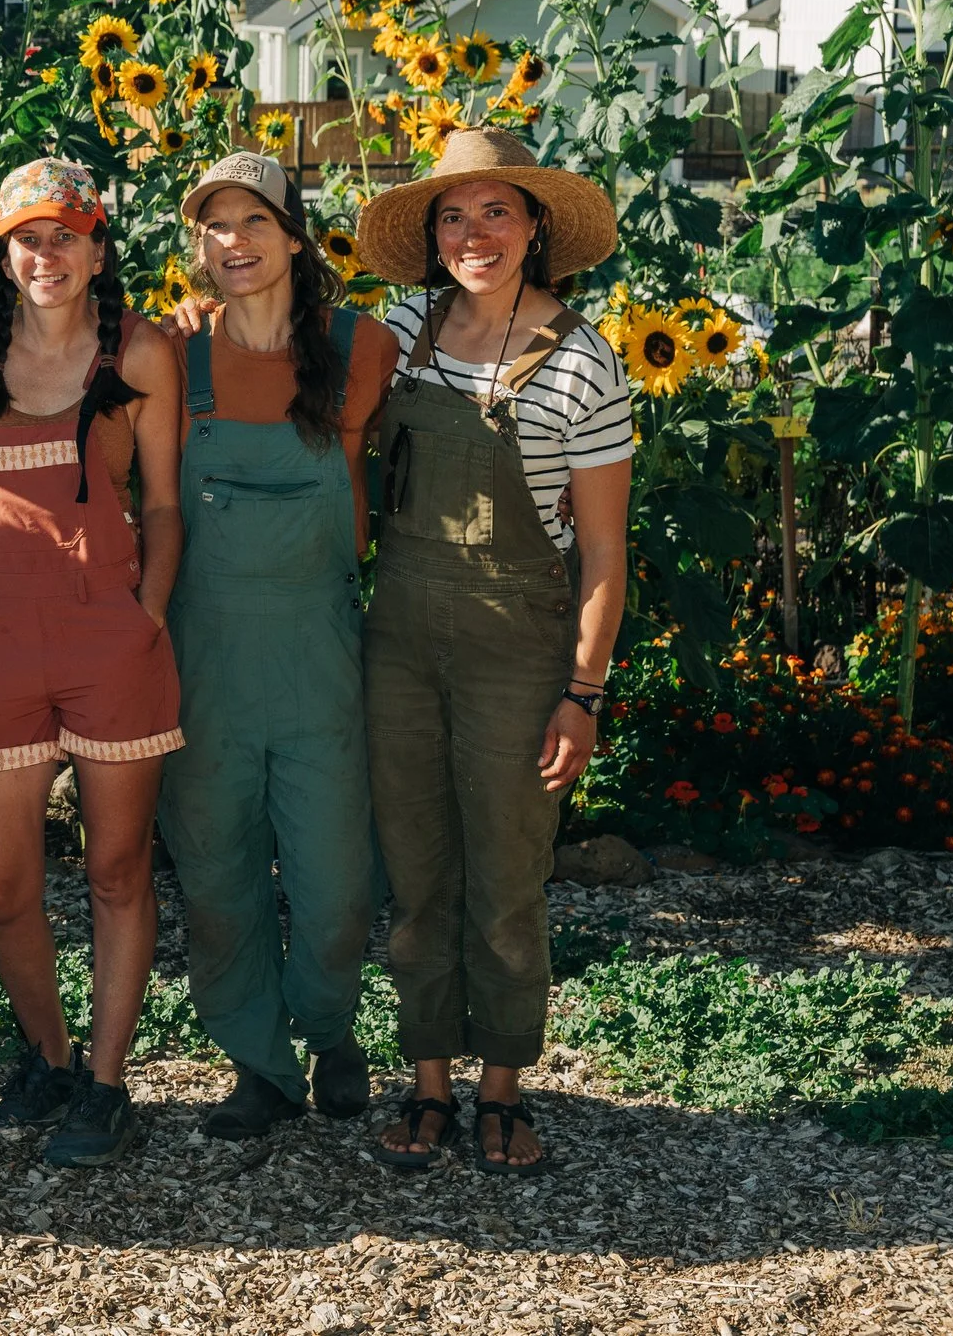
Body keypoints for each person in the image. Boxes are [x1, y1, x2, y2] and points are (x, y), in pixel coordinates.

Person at [354, 127, 631, 1176]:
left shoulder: (582, 362)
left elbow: (604, 548)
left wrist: (582, 691)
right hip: (400, 638)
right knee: (417, 874)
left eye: (496, 211)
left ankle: (503, 1086)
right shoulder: (398, 332)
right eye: (453, 214)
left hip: (520, 653)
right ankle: (427, 1078)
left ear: (536, 229)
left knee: (508, 879)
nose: (474, 233)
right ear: (431, 234)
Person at [0, 156, 184, 1168]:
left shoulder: (141, 351)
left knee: (117, 867)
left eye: (67, 234)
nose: (48, 254)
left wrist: (146, 611)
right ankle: (49, 1054)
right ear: (5, 250)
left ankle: (108, 1079)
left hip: (106, 629)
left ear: (97, 247)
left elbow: (161, 501)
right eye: (29, 236)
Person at [154, 152, 400, 1140]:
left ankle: (331, 1026)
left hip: (319, 655)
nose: (235, 242)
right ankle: (257, 1062)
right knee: (215, 878)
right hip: (205, 661)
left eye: (254, 220)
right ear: (199, 248)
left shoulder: (364, 345)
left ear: (295, 235)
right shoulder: (174, 356)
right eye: (215, 226)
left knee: (338, 885)